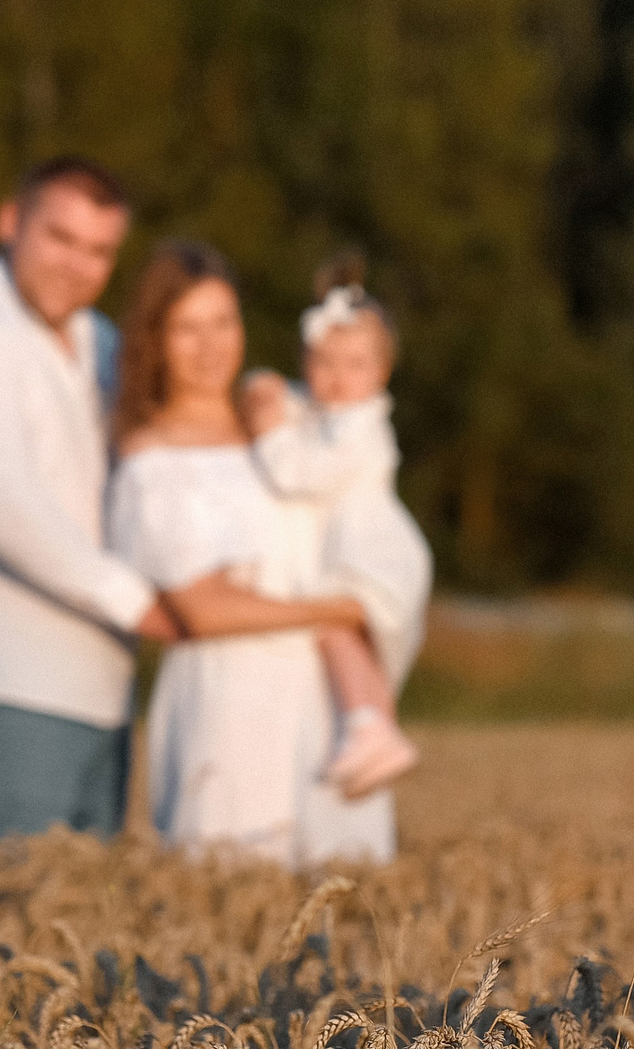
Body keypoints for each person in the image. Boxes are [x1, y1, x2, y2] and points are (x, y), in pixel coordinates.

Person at [0, 157, 170, 846]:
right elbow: (2, 508)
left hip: (98, 688)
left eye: (99, 251)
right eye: (59, 238)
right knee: (13, 904)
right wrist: (144, 605)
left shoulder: (102, 344)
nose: (76, 265)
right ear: (10, 222)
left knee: (83, 909)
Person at [104, 240, 392, 866]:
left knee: (347, 892)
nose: (210, 346)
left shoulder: (285, 419)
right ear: (154, 340)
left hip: (324, 705)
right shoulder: (152, 458)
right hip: (227, 705)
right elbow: (201, 609)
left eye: (223, 322)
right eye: (187, 328)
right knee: (233, 885)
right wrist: (340, 610)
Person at [238, 254, 433, 797]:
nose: (338, 378)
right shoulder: (329, 412)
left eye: (355, 364)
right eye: (323, 361)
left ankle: (369, 724)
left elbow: (299, 474)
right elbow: (287, 401)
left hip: (368, 550)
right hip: (350, 547)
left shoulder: (363, 429)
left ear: (382, 372)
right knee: (346, 637)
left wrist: (269, 434)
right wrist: (262, 388)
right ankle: (374, 727)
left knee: (334, 628)